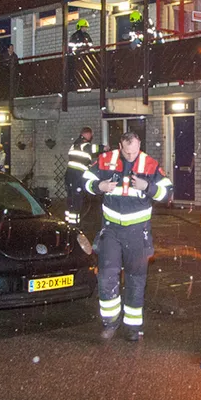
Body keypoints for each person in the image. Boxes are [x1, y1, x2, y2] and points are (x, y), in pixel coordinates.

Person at [83, 132, 173, 342]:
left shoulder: (150, 164)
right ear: (120, 146)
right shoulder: (106, 160)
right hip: (111, 230)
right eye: (126, 151)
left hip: (137, 232)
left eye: (134, 151)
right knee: (106, 277)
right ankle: (110, 322)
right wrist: (99, 187)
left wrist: (148, 187)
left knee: (135, 279)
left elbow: (167, 193)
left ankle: (132, 327)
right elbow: (86, 180)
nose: (130, 156)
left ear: (140, 144)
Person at [64, 127, 99, 226]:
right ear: (87, 134)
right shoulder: (85, 145)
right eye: (91, 135)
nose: (91, 137)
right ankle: (74, 226)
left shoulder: (74, 144)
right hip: (77, 176)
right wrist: (105, 148)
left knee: (70, 200)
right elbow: (94, 148)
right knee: (77, 201)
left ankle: (68, 222)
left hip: (69, 175)